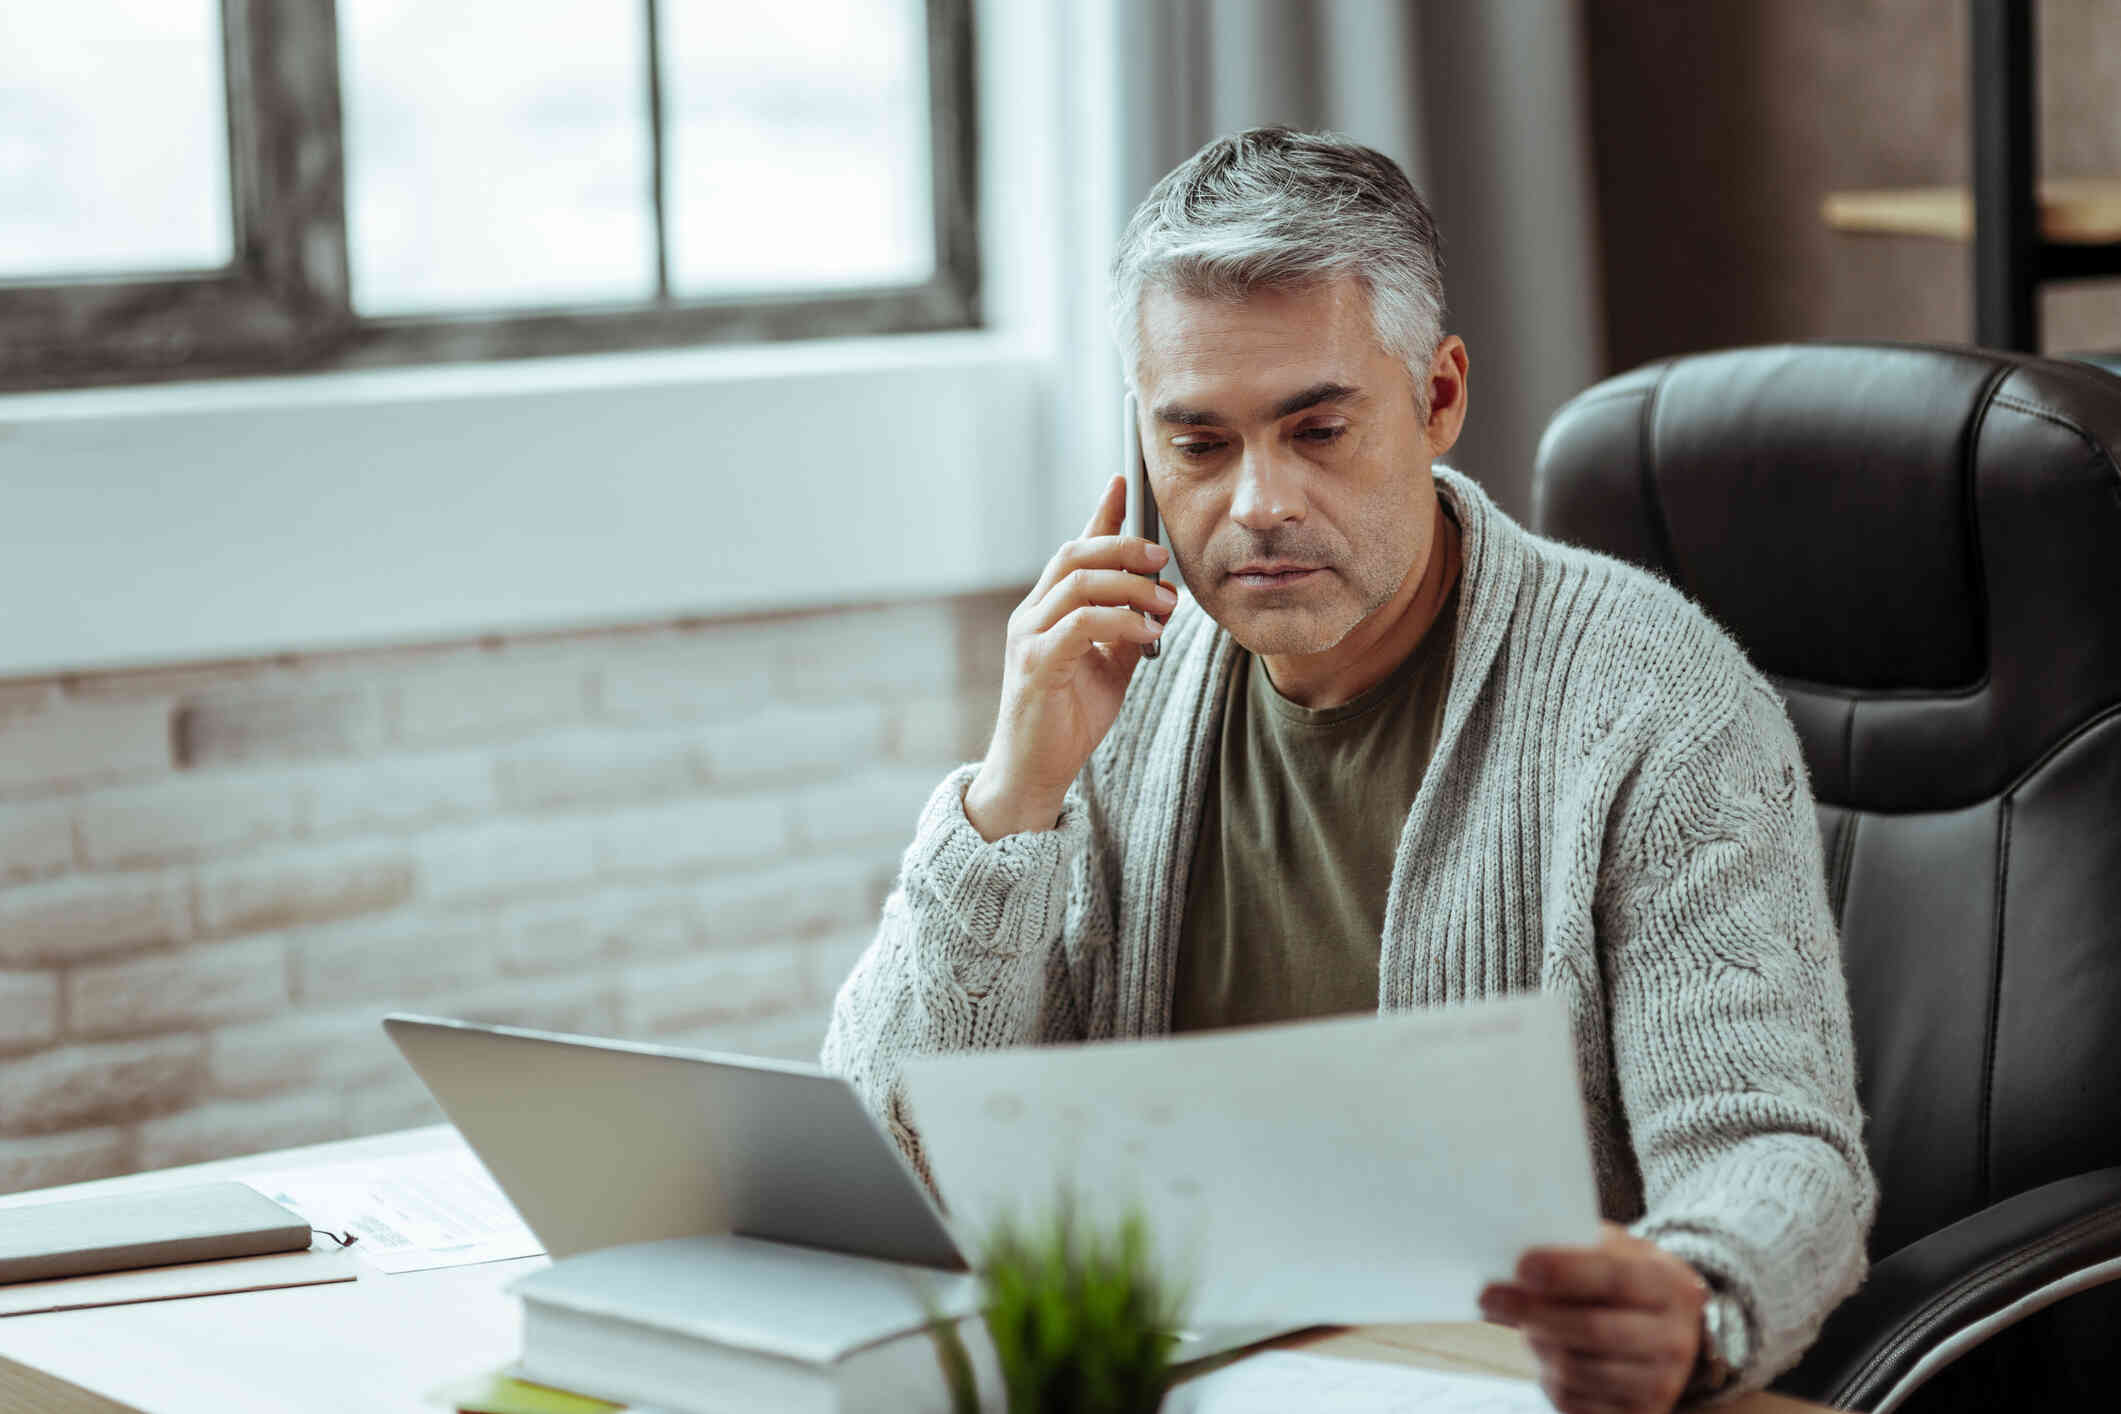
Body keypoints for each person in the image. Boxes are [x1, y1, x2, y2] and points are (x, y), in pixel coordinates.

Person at [822, 126, 1875, 1413]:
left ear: (1438, 397)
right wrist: (1008, 799)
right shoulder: (1113, 687)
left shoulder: (1656, 699)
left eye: (1316, 429)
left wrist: (1699, 1299)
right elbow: (890, 1155)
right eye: (1199, 444)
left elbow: (1775, 1149)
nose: (1258, 501)